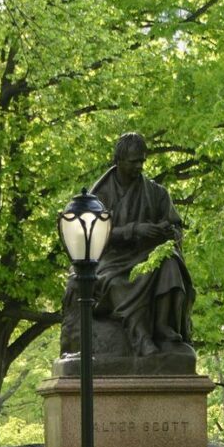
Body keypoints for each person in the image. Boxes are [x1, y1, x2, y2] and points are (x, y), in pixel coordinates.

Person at [87, 132, 194, 357]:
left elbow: (176, 229)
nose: (139, 166)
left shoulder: (156, 192)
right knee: (116, 283)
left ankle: (164, 327)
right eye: (134, 161)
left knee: (171, 262)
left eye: (142, 161)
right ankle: (142, 338)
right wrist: (134, 230)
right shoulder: (98, 196)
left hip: (148, 255)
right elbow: (93, 234)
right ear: (118, 161)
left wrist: (165, 233)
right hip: (113, 261)